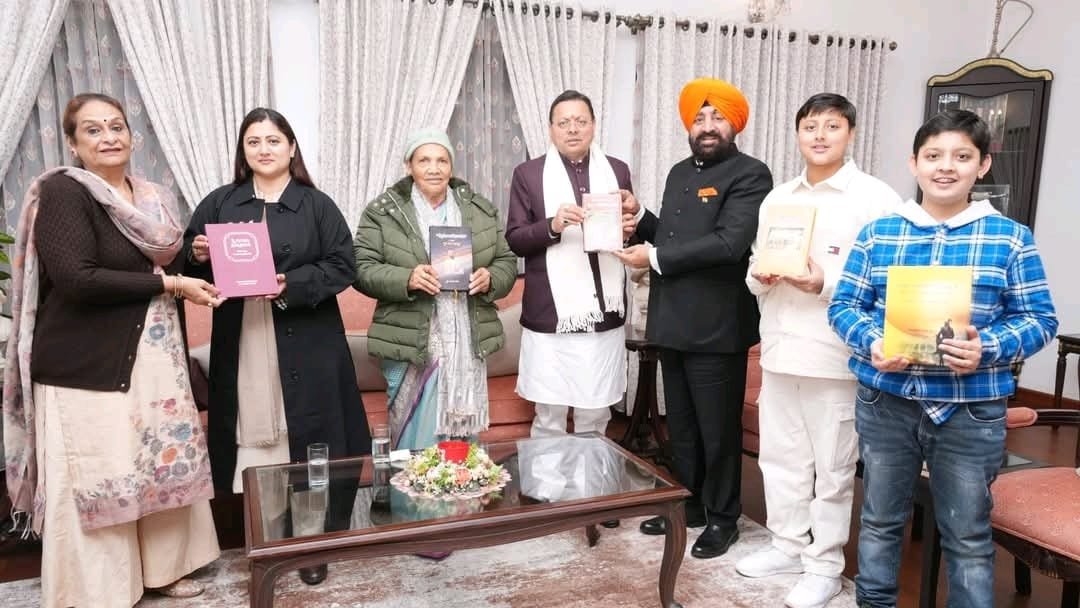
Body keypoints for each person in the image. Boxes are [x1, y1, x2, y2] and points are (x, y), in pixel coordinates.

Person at [827, 109, 1058, 608]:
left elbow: (1040, 319)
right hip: (886, 403)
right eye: (933, 156)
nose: (945, 167)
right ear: (914, 163)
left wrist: (986, 348)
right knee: (879, 521)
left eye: (961, 156)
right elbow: (844, 306)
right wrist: (872, 341)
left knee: (968, 535)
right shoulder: (879, 233)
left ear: (983, 165)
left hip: (970, 411)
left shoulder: (1010, 238)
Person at [2, 93, 222, 607]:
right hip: (87, 364)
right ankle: (100, 589)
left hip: (156, 362)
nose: (109, 137)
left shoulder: (152, 197)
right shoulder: (64, 191)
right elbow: (77, 279)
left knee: (158, 466)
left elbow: (163, 265)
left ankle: (165, 570)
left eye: (116, 126)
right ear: (73, 143)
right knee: (104, 473)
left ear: (131, 134)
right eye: (93, 129)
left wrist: (192, 258)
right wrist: (171, 283)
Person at [185, 107, 369, 585]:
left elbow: (344, 266)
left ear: (291, 147)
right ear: (243, 151)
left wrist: (292, 283)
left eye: (273, 140)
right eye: (254, 142)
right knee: (255, 439)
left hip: (309, 341)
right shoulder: (220, 203)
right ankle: (268, 541)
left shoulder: (317, 204)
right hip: (245, 338)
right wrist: (197, 254)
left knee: (310, 440)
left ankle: (311, 544)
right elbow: (188, 260)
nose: (264, 149)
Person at [735, 93, 901, 608]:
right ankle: (786, 544)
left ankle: (824, 565)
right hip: (779, 349)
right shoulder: (778, 197)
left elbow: (888, 280)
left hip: (836, 357)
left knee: (832, 469)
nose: (820, 135)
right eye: (810, 126)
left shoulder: (876, 199)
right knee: (780, 459)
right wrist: (762, 276)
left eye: (832, 126)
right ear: (798, 134)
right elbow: (754, 267)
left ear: (851, 133)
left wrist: (824, 282)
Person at [615, 77, 772, 559]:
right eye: (699, 117)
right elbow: (673, 237)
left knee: (717, 429)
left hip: (718, 326)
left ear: (734, 124)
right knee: (681, 425)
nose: (707, 126)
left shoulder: (751, 174)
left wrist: (652, 257)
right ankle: (693, 505)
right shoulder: (679, 172)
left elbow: (728, 244)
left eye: (717, 117)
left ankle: (724, 517)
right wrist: (641, 216)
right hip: (673, 320)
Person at [353, 128, 517, 450]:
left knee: (462, 449)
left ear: (451, 166)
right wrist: (407, 278)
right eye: (424, 160)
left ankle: (460, 480)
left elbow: (506, 261)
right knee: (415, 443)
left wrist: (491, 278)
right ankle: (413, 484)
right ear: (408, 166)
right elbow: (361, 268)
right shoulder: (384, 212)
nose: (434, 168)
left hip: (467, 339)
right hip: (410, 340)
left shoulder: (479, 210)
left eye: (442, 160)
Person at [505, 89, 639, 442]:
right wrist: (552, 225)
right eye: (564, 123)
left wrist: (628, 229)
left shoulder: (617, 170)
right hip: (551, 315)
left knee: (595, 414)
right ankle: (547, 480)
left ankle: (590, 478)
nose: (573, 129)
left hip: (603, 313)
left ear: (593, 125)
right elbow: (515, 239)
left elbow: (627, 234)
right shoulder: (528, 174)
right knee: (549, 415)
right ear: (551, 129)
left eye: (580, 121)